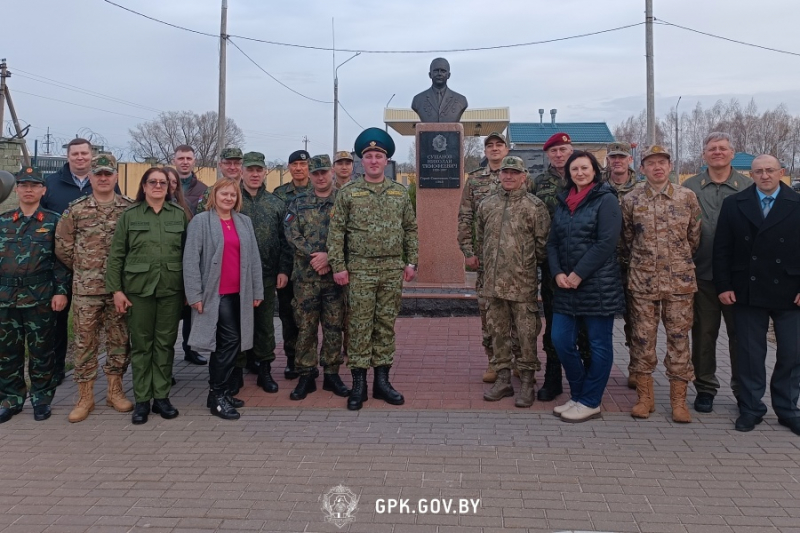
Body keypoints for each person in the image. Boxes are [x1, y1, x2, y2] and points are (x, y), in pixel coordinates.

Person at [328, 128, 419, 411]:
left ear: (387, 159)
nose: (374, 160)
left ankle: (382, 382)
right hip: (360, 270)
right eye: (368, 156)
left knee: (384, 326)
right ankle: (359, 384)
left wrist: (411, 261)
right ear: (361, 161)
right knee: (358, 327)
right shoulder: (348, 193)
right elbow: (336, 232)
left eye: (379, 156)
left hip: (392, 269)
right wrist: (339, 266)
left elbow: (410, 229)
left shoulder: (400, 192)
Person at [713, 155, 800, 435]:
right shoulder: (734, 204)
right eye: (759, 171)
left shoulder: (797, 203)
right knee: (750, 353)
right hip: (746, 289)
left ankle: (787, 409)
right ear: (750, 175)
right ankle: (751, 408)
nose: (765, 176)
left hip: (790, 290)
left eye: (770, 170)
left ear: (782, 173)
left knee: (792, 352)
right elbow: (722, 249)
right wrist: (723, 286)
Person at [621, 145, 701, 423]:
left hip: (679, 283)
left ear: (670, 166)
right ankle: (645, 399)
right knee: (642, 340)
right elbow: (627, 239)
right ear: (642, 168)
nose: (657, 167)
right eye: (651, 163)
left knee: (679, 342)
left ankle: (679, 401)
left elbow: (694, 238)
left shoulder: (686, 197)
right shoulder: (631, 200)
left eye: (662, 163)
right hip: (643, 283)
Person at [55, 154, 135, 423]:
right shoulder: (76, 209)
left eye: (107, 174)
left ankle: (115, 391)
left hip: (119, 290)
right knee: (85, 342)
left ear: (115, 177)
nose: (103, 178)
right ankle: (85, 396)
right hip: (86, 290)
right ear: (90, 178)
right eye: (98, 174)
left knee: (119, 340)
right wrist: (84, 268)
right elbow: (63, 246)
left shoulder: (128, 209)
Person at [106, 168, 188, 425]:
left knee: (165, 344)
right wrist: (117, 291)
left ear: (169, 187)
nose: (158, 186)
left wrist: (189, 291)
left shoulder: (179, 215)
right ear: (144, 186)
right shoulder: (129, 216)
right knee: (142, 346)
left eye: (163, 182)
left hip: (170, 290)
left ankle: (161, 397)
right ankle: (142, 400)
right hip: (138, 291)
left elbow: (189, 256)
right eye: (152, 181)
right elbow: (117, 255)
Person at [547, 151, 624, 422]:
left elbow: (606, 242)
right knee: (560, 340)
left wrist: (578, 273)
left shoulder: (605, 199)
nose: (580, 172)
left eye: (585, 167)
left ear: (594, 170)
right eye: (575, 169)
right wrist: (557, 272)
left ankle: (591, 400)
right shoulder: (563, 201)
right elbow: (553, 242)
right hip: (565, 286)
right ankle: (579, 394)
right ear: (568, 173)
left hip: (596, 285)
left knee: (598, 344)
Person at [682, 132, 752, 413]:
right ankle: (706, 388)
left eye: (723, 148)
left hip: (740, 277)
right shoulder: (690, 187)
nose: (718, 152)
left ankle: (743, 390)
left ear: (733, 153)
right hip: (702, 274)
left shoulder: (748, 187)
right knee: (703, 335)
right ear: (704, 155)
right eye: (712, 149)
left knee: (742, 337)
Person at [184, 178, 264, 420]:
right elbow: (190, 260)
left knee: (229, 344)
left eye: (232, 195)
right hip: (214, 294)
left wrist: (257, 290)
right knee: (229, 342)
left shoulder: (243, 222)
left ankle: (219, 392)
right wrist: (194, 294)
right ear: (214, 196)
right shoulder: (201, 222)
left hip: (240, 292)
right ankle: (218, 395)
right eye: (224, 194)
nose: (228, 198)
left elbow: (253, 258)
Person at [477, 156, 550, 408]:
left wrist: (527, 267)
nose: (508, 177)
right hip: (493, 285)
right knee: (498, 333)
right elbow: (480, 240)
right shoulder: (487, 204)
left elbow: (543, 245)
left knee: (527, 335)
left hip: (522, 284)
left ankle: (528, 382)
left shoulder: (534, 206)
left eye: (514, 173)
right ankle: (503, 379)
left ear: (523, 176)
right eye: (505, 172)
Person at [0, 167, 70, 424]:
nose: (28, 189)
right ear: (16, 189)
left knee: (42, 352)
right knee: (8, 353)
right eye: (23, 185)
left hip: (40, 296)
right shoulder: (3, 221)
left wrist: (61, 292)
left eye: (34, 185)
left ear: (43, 190)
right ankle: (11, 399)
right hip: (5, 297)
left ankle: (41, 399)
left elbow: (62, 261)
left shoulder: (54, 221)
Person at [41, 139, 109, 386]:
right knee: (57, 319)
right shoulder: (51, 185)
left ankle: (95, 370)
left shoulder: (102, 181)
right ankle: (56, 368)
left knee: (92, 322)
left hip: (95, 269)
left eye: (84, 153)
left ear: (91, 156)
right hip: (59, 264)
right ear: (68, 156)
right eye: (75, 154)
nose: (80, 158)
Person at [285, 154, 350, 400]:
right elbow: (291, 234)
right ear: (310, 175)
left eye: (324, 172)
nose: (321, 177)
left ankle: (332, 374)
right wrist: (316, 257)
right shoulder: (298, 202)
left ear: (332, 173)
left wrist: (329, 258)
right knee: (306, 327)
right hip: (305, 277)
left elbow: (351, 234)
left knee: (334, 327)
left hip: (335, 278)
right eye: (316, 173)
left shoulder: (343, 200)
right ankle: (306, 375)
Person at [457, 131, 521, 383]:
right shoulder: (474, 181)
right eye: (490, 145)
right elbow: (465, 217)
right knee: (489, 314)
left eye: (499, 145)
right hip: (485, 260)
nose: (494, 148)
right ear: (485, 151)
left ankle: (518, 359)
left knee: (518, 314)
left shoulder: (522, 177)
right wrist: (468, 252)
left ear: (507, 149)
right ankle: (494, 361)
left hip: (516, 260)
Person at [527, 132, 580, 402]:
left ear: (572, 150)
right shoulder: (539, 183)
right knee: (554, 322)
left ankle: (586, 380)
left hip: (583, 264)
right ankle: (553, 377)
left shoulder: (585, 178)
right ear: (548, 155)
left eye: (563, 149)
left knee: (584, 323)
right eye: (554, 151)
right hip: (552, 265)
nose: (559, 155)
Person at [239, 151, 292, 393]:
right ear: (242, 172)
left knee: (264, 325)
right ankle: (236, 370)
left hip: (267, 275)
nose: (254, 174)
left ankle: (264, 370)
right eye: (250, 169)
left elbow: (285, 241)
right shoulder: (230, 200)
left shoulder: (275, 204)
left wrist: (283, 269)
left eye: (258, 169)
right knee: (236, 324)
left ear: (265, 172)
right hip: (235, 276)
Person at [602, 141, 639, 388]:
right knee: (601, 318)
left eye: (621, 157)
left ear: (629, 160)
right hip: (604, 263)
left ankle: (636, 367)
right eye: (613, 157)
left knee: (636, 318)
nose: (617, 161)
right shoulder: (598, 185)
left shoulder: (642, 188)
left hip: (636, 264)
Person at [273, 150, 311, 380]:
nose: (298, 168)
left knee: (311, 317)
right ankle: (292, 359)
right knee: (288, 316)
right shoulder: (278, 195)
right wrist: (282, 268)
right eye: (294, 164)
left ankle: (310, 360)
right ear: (289, 167)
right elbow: (278, 234)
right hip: (288, 266)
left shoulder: (318, 191)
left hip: (312, 268)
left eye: (302, 164)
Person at [165, 166, 206, 367]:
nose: (171, 186)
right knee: (168, 323)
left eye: (174, 183)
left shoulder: (186, 207)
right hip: (164, 275)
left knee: (189, 314)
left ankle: (190, 350)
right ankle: (166, 365)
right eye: (167, 181)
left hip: (185, 270)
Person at [411, 57, 469, 123]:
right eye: (436, 71)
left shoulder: (461, 100)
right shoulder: (418, 99)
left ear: (448, 75)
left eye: (443, 71)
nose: (439, 74)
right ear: (430, 74)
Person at [195, 147, 244, 213]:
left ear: (242, 166)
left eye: (237, 163)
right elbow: (200, 220)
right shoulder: (210, 192)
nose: (232, 167)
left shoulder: (250, 192)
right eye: (227, 163)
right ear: (220, 166)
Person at [172, 145, 207, 212]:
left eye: (189, 158)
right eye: (181, 158)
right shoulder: (164, 187)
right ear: (174, 161)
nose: (185, 162)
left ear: (194, 162)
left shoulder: (204, 190)